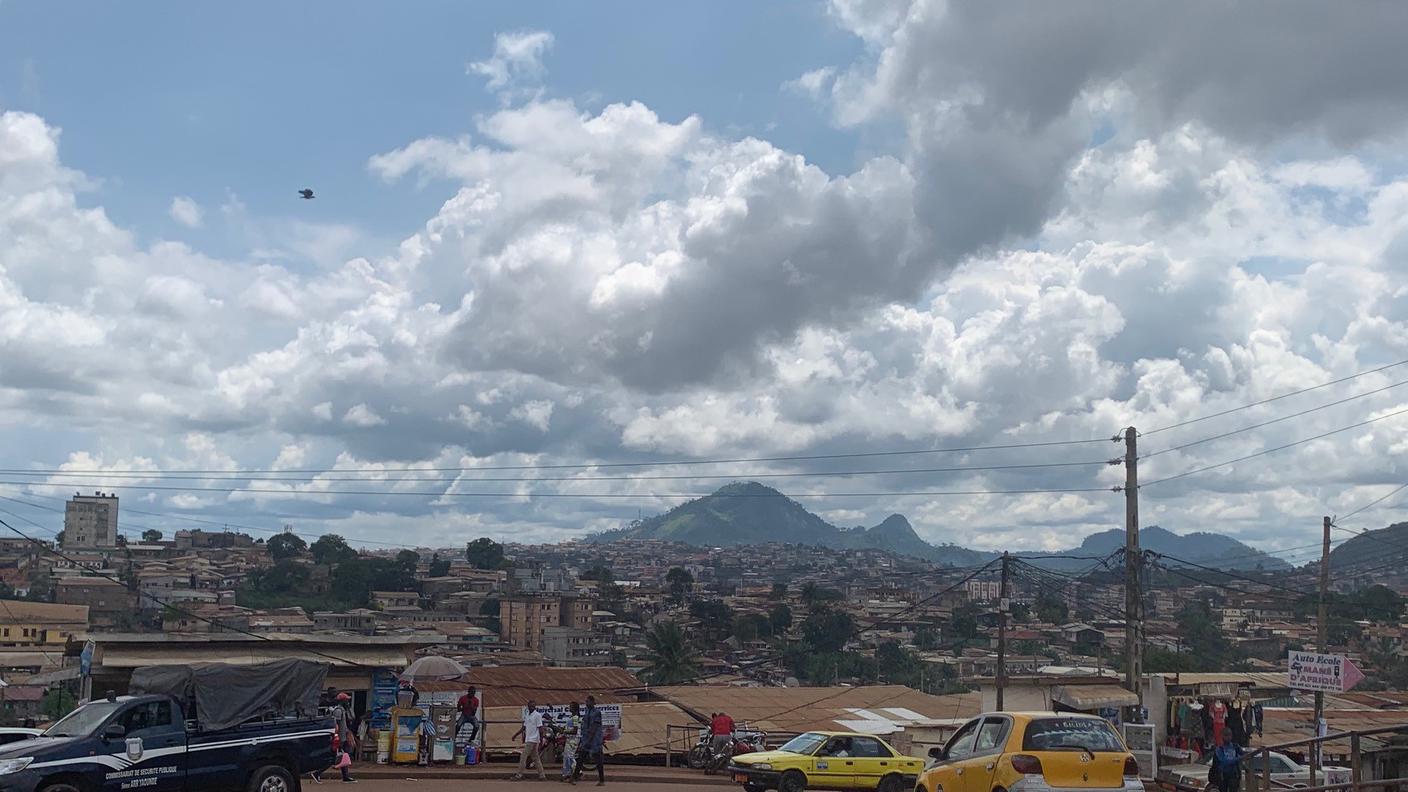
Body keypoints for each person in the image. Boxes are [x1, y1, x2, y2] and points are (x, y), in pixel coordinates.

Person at [573, 695, 606, 787]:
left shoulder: (597, 712)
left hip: (595, 740)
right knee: (580, 759)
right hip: (586, 739)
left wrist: (589, 739)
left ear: (592, 702)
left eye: (588, 702)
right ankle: (574, 778)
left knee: (598, 760)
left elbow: (594, 727)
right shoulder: (587, 712)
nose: (586, 703)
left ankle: (602, 780)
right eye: (586, 702)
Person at [512, 699, 547, 781]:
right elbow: (524, 727)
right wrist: (515, 735)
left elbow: (541, 729)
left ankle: (519, 775)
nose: (532, 707)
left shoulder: (537, 715)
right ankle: (542, 775)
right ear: (528, 706)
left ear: (535, 707)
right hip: (529, 739)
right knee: (536, 758)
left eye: (533, 706)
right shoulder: (528, 714)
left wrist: (541, 740)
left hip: (533, 739)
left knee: (523, 756)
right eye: (531, 706)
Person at [561, 702, 582, 784]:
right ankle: (567, 774)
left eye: (570, 707)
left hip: (573, 740)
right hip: (570, 739)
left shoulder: (575, 718)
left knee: (569, 757)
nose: (569, 708)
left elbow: (575, 731)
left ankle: (578, 772)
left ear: (574, 708)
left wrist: (564, 731)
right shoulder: (572, 717)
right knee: (566, 756)